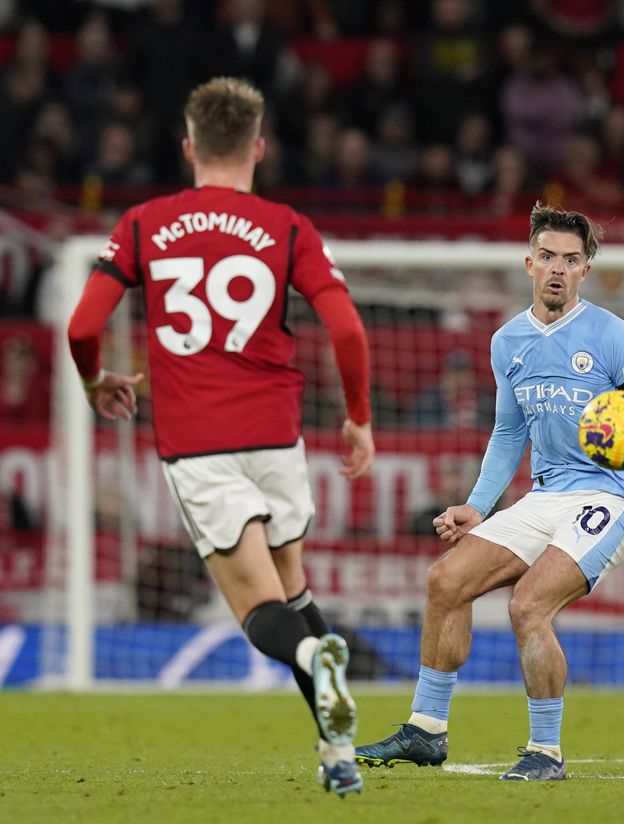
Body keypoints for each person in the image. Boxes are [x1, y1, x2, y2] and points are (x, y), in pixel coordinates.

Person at [65, 77, 374, 797]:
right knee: (292, 591)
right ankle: (338, 755)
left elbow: (82, 325)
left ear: (188, 146)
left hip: (199, 440)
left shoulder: (144, 223)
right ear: (258, 148)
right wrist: (358, 415)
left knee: (260, 615)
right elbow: (348, 328)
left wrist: (91, 381)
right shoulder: (288, 227)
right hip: (276, 435)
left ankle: (315, 664)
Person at [354, 203, 624, 781]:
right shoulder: (508, 342)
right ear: (528, 263)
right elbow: (509, 432)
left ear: (585, 270)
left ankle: (545, 752)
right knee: (445, 581)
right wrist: (477, 507)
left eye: (571, 260)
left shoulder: (615, 337)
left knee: (529, 604)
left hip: (613, 497)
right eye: (548, 257)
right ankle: (426, 730)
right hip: (547, 494)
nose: (557, 268)